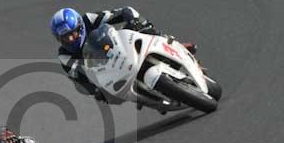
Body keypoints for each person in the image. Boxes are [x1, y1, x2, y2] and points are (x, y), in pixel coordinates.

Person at [50, 6, 197, 101]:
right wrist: (95, 90)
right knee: (113, 96)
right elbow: (80, 81)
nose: (70, 39)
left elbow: (123, 12)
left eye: (73, 33)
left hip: (119, 47)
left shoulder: (88, 19)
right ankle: (151, 100)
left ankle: (171, 44)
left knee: (145, 29)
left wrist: (134, 22)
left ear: (80, 26)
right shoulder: (65, 56)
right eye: (65, 37)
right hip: (109, 71)